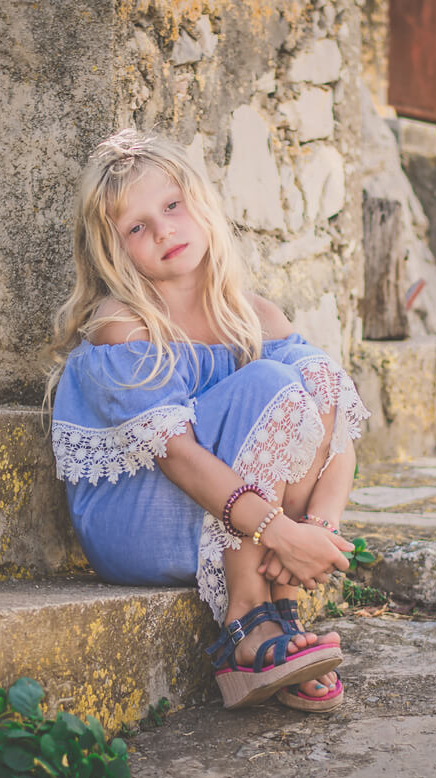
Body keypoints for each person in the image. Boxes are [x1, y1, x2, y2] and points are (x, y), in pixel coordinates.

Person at [47, 129, 369, 712]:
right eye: (136, 227)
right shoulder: (125, 325)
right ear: (113, 251)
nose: (163, 230)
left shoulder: (252, 317)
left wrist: (317, 529)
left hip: (234, 519)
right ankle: (246, 617)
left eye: (172, 206)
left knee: (314, 380)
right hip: (139, 521)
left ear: (201, 204)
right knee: (269, 384)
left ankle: (281, 610)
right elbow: (179, 457)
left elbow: (336, 421)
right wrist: (281, 533)